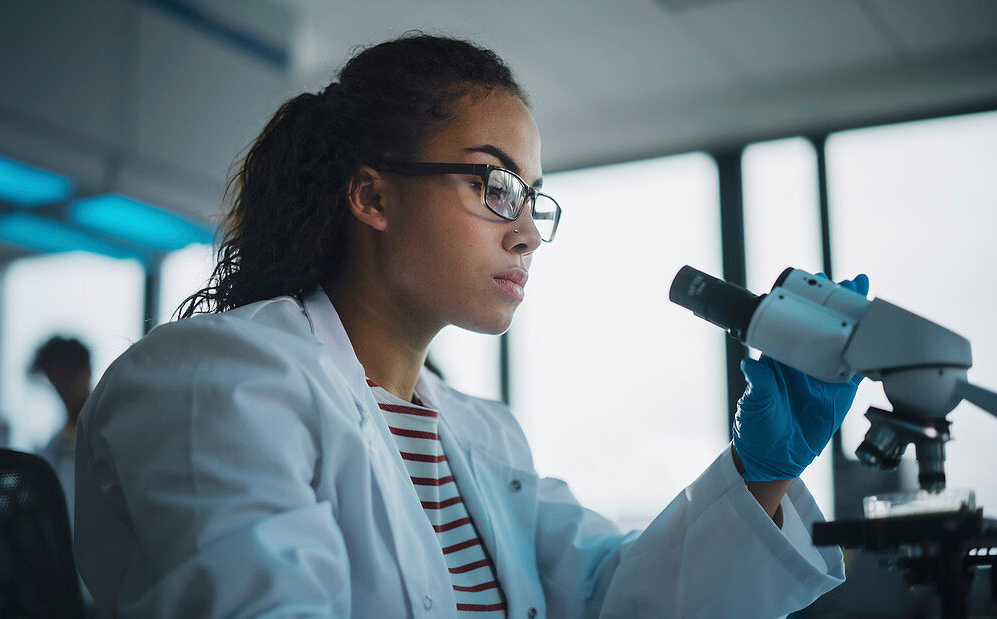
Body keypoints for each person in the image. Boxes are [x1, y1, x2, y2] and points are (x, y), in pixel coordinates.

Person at [74, 34, 863, 617]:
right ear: (372, 197)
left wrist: (759, 472)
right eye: (493, 185)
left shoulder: (485, 436)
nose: (525, 231)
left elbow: (609, 598)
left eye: (533, 197)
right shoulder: (220, 377)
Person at [29, 335, 91, 521]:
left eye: (66, 377)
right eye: (55, 380)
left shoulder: (103, 432)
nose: (62, 390)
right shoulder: (56, 445)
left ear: (85, 371)